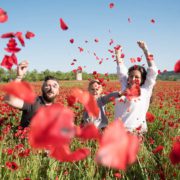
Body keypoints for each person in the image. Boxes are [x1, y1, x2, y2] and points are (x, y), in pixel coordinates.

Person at [114, 41, 158, 134]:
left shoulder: (146, 90)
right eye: (131, 76)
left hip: (136, 133)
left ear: (142, 79)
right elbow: (121, 69)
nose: (133, 79)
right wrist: (118, 54)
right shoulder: (124, 86)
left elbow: (153, 70)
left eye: (137, 77)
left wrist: (145, 50)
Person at [4, 61, 60, 128]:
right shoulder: (32, 101)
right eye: (48, 85)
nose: (51, 88)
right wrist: (19, 76)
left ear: (58, 92)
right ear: (42, 88)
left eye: (54, 86)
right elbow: (8, 99)